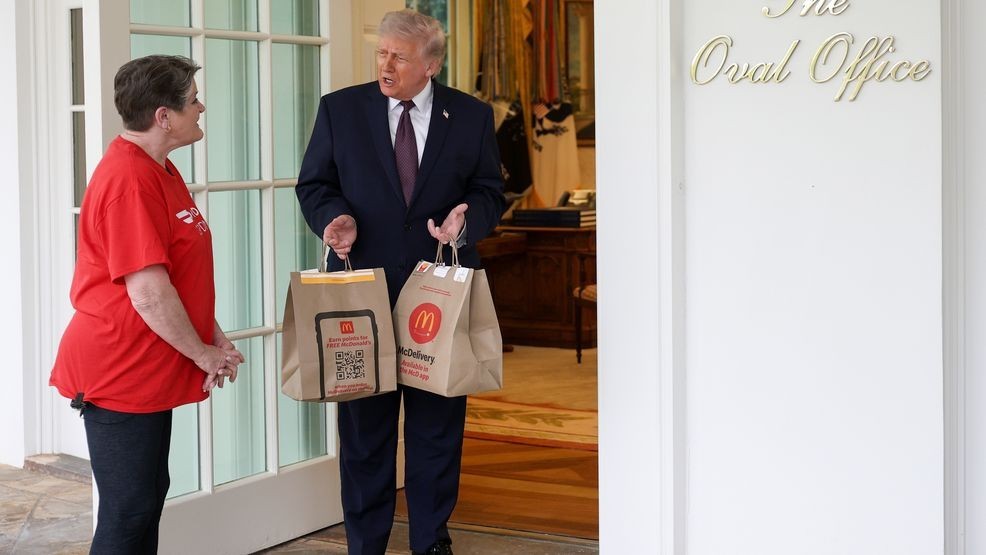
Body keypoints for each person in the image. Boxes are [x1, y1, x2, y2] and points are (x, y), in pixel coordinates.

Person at [296, 9, 506, 555]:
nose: (385, 66)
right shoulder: (340, 110)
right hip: (363, 294)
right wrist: (332, 219)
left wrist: (468, 221)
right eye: (381, 53)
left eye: (400, 57)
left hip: (439, 292)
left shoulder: (472, 115)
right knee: (366, 433)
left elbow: (489, 190)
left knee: (438, 429)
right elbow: (314, 184)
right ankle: (365, 544)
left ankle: (431, 541)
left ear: (431, 65)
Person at [49, 55, 244, 554]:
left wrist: (212, 334)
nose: (201, 107)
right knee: (129, 510)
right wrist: (201, 354)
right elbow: (148, 291)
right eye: (192, 100)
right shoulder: (128, 179)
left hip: (149, 362)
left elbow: (177, 276)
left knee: (145, 500)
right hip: (120, 367)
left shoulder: (161, 169)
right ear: (164, 116)